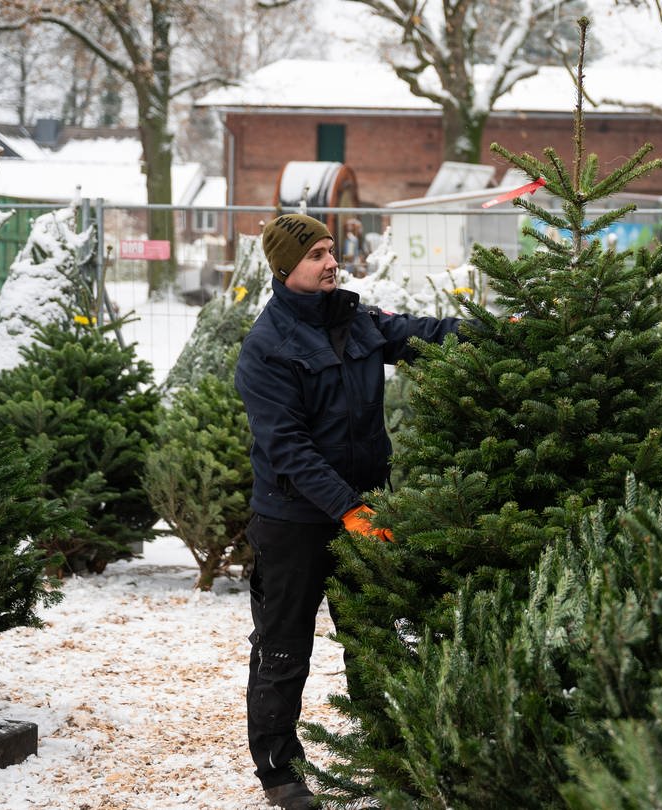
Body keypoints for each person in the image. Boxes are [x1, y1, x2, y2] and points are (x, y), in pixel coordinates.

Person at [235, 212, 465, 809]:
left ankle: (386, 751)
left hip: (365, 511)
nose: (330, 262)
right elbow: (287, 448)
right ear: (286, 268)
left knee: (372, 638)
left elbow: (424, 333)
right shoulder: (267, 347)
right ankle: (279, 773)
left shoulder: (356, 320)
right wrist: (347, 509)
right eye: (315, 255)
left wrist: (503, 329)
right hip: (294, 523)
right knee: (284, 649)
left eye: (331, 250)